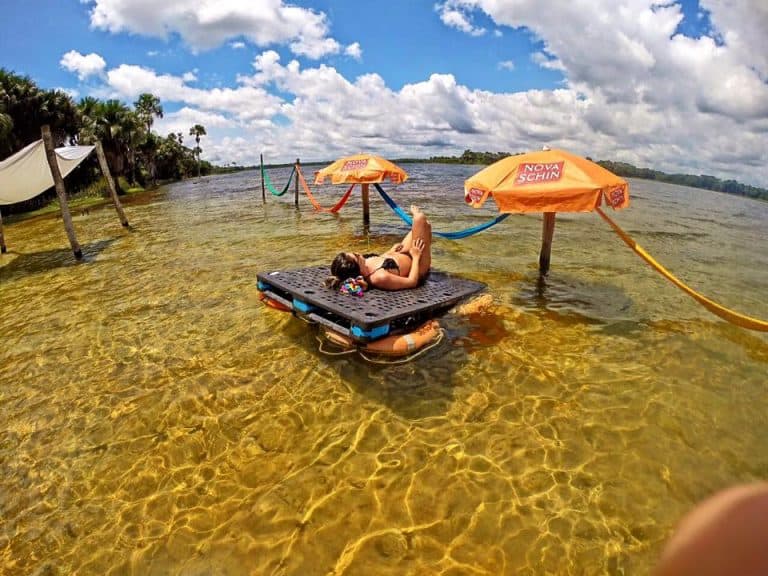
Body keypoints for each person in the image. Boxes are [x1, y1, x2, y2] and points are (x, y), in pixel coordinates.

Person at [325, 205, 432, 291]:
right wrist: (416, 256)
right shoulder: (379, 277)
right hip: (418, 265)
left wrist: (390, 251)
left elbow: (379, 260)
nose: (358, 253)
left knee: (424, 225)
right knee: (420, 219)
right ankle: (423, 230)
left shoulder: (365, 265)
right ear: (358, 269)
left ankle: (424, 229)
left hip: (404, 253)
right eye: (357, 256)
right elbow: (412, 282)